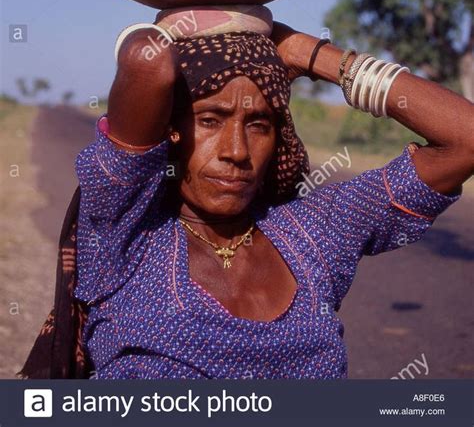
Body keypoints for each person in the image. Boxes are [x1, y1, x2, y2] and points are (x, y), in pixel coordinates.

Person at [19, 20, 473, 379]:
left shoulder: (313, 233)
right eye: (211, 119)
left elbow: (465, 140)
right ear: (170, 131)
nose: (236, 151)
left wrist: (311, 54)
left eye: (258, 124)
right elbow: (147, 57)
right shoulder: (124, 234)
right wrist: (195, 20)